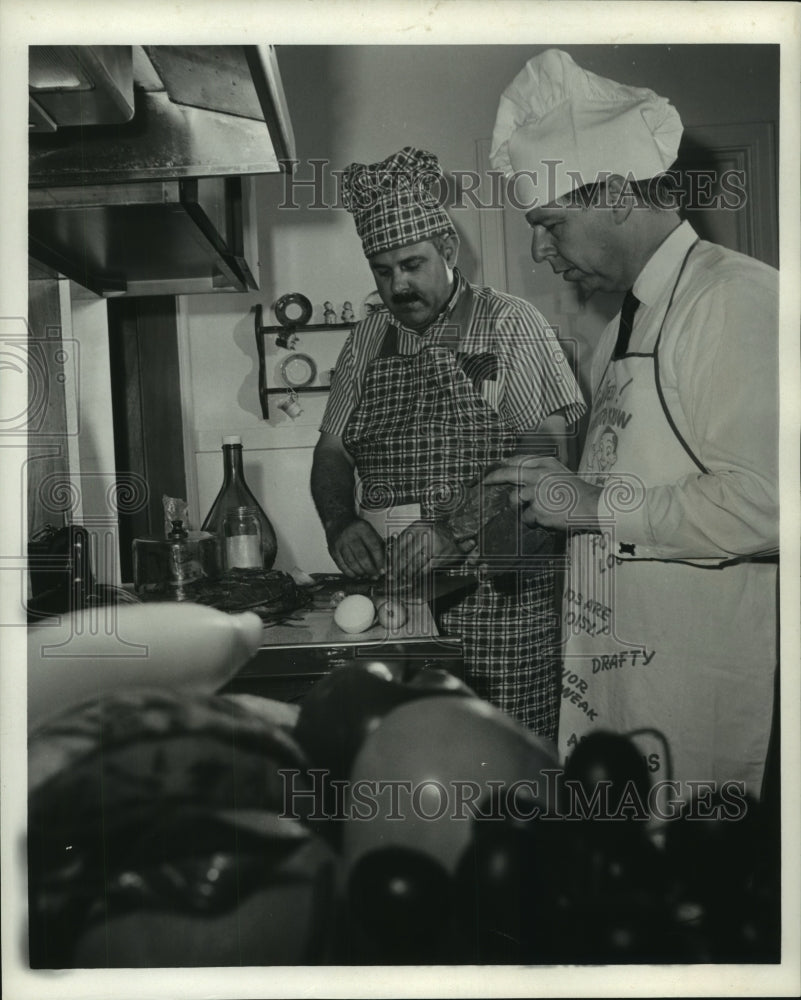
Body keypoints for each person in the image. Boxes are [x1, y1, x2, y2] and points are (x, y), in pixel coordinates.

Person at [485, 50, 779, 799]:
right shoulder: (631, 317)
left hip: (704, 695)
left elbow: (768, 503)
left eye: (549, 224)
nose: (536, 251)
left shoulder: (733, 301)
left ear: (615, 193)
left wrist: (590, 505)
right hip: (628, 688)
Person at [310, 146, 585, 738]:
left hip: (500, 601)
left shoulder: (509, 323)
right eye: (383, 272)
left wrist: (455, 528)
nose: (398, 285)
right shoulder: (367, 339)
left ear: (449, 251)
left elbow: (548, 453)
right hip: (396, 599)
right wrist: (339, 523)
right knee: (410, 762)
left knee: (503, 774)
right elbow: (331, 451)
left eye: (412, 264)